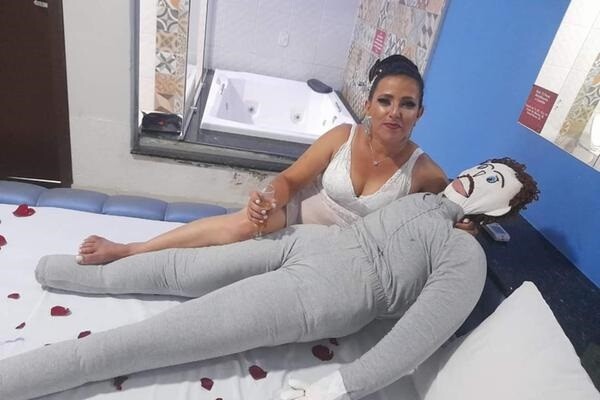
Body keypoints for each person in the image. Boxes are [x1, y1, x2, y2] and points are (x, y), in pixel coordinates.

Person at [0, 158, 539, 400]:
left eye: (493, 180)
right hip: (311, 242)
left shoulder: (465, 257)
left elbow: (417, 337)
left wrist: (344, 384)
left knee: (161, 337)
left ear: (500, 206)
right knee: (185, 267)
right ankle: (85, 276)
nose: (476, 176)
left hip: (331, 293)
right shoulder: (425, 198)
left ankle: (19, 378)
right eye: (482, 166)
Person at [76, 54, 474, 266]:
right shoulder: (343, 136)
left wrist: (464, 227)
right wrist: (268, 197)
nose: (394, 113)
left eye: (407, 104)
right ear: (368, 105)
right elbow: (290, 180)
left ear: (420, 113)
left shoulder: (425, 172)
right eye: (385, 101)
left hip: (346, 254)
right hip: (297, 215)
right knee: (238, 226)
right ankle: (132, 250)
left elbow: (450, 216)